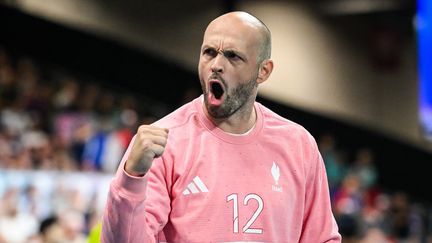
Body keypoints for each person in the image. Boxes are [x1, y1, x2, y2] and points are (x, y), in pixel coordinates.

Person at [101, 11, 341, 242]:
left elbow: (321, 238)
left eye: (232, 56)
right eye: (209, 52)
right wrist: (131, 179)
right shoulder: (162, 144)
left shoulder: (299, 146)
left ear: (263, 71)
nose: (216, 64)